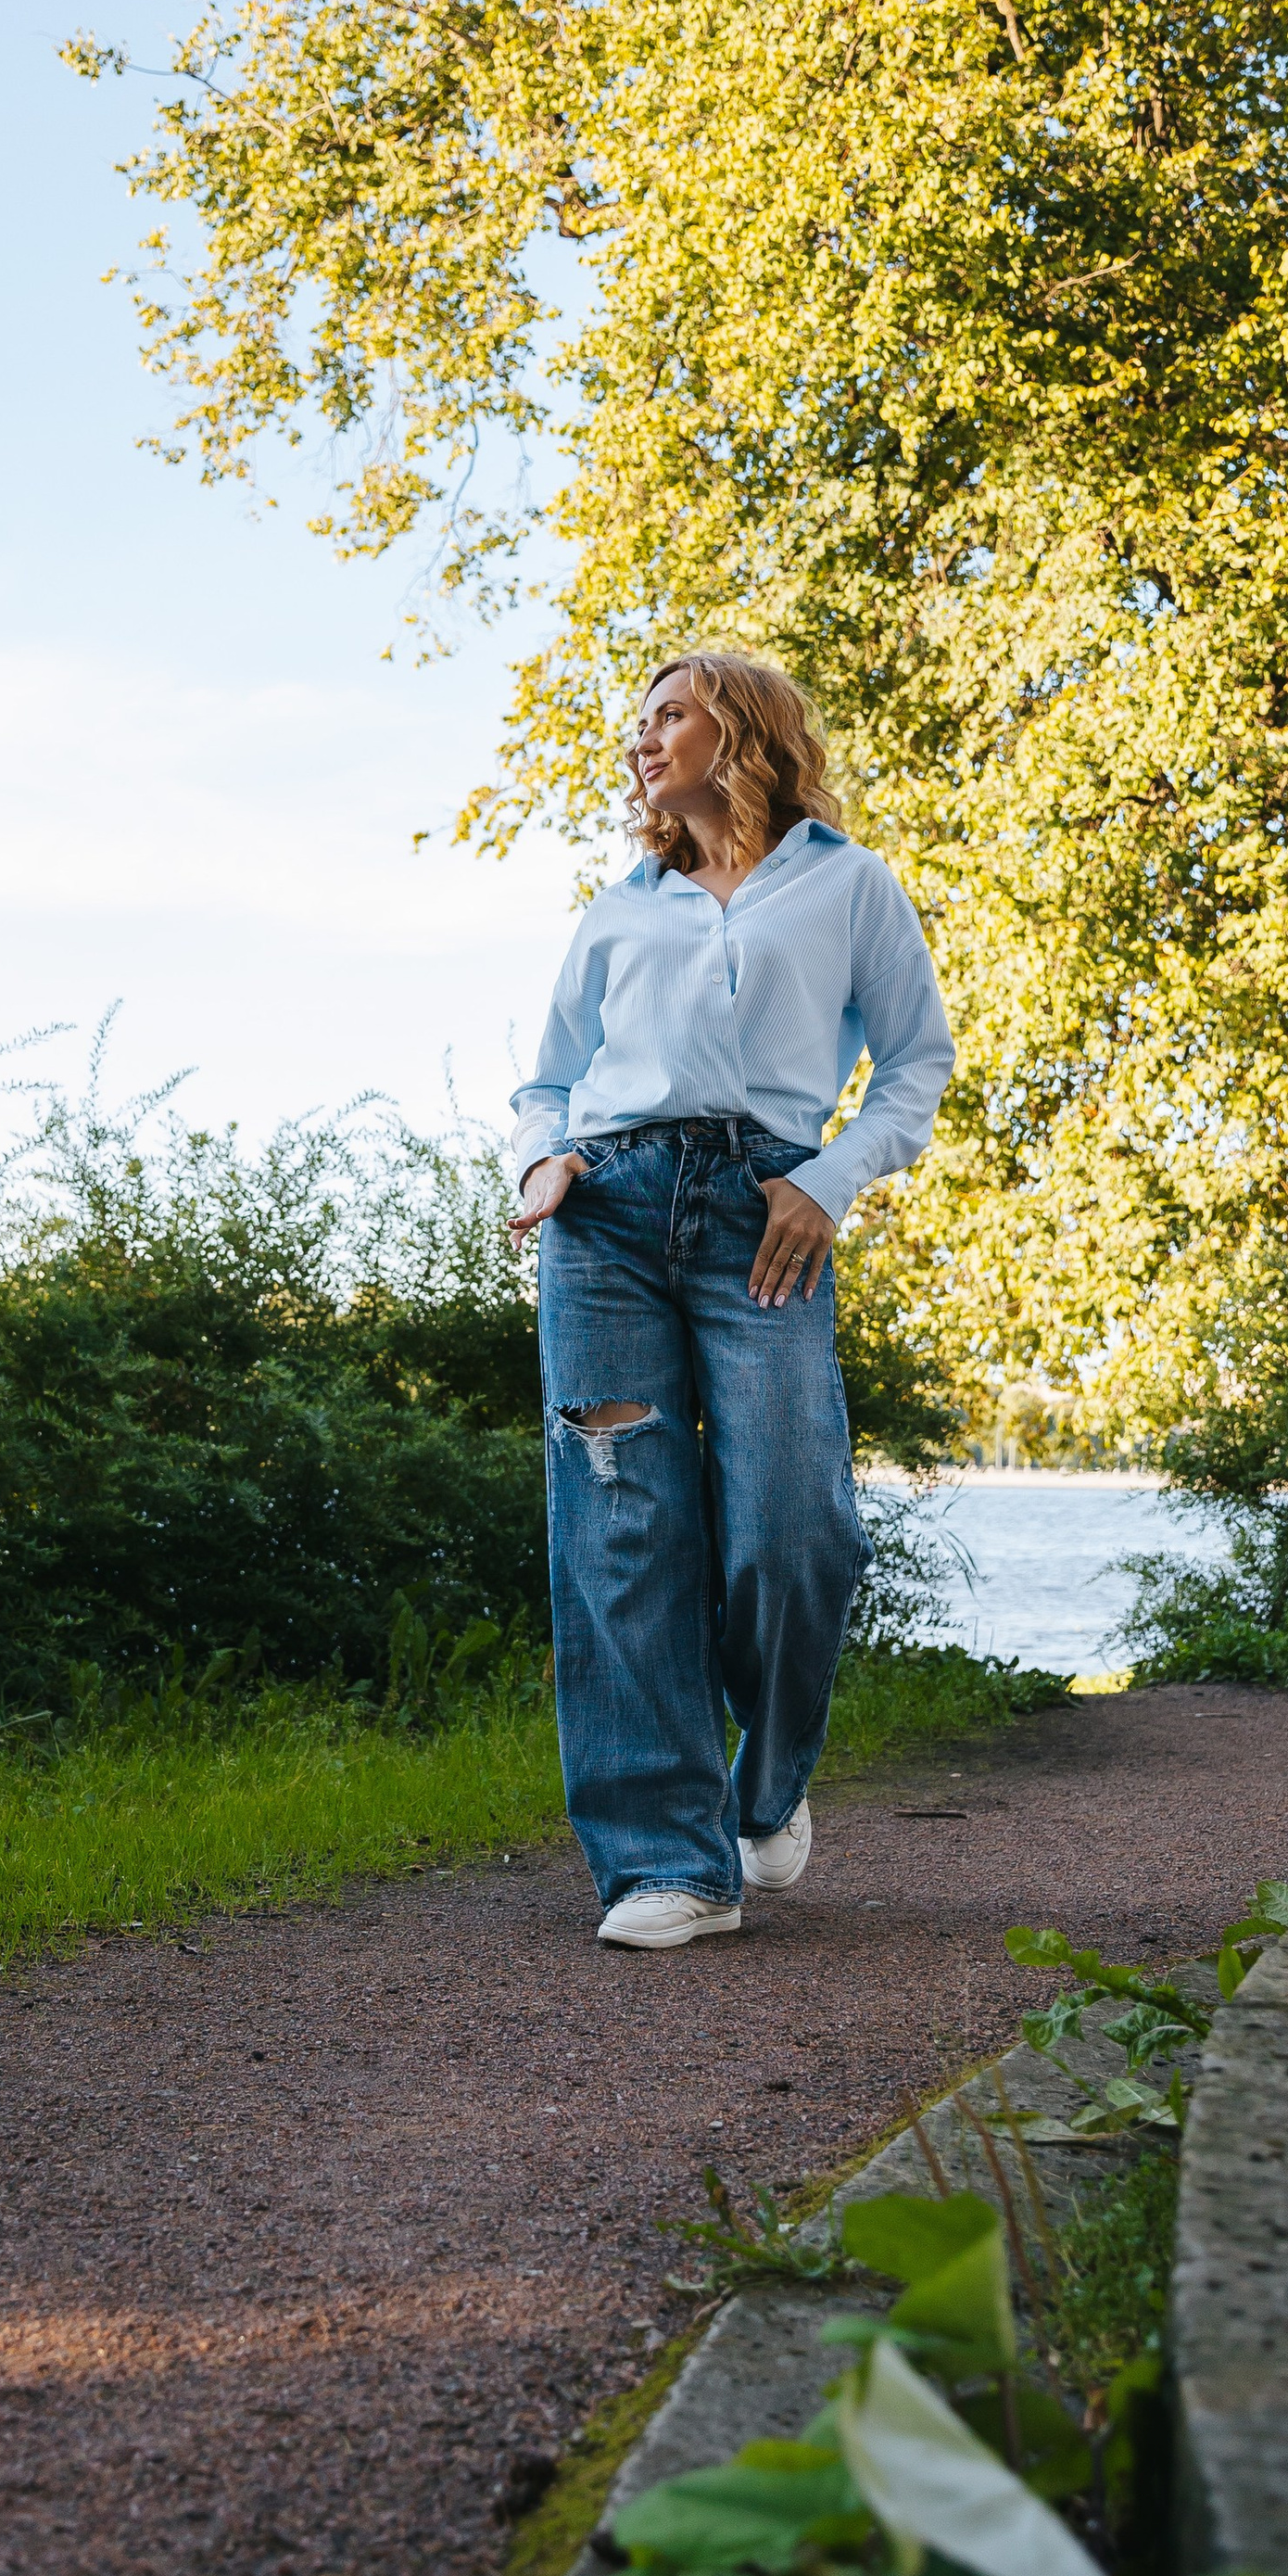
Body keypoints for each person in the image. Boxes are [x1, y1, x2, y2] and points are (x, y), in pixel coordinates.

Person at [508, 648, 955, 1948]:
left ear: (744, 728)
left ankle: (767, 1783)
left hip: (764, 1217)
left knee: (794, 1521)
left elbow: (915, 1062)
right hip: (603, 1216)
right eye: (639, 722)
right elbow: (549, 1080)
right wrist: (541, 1162)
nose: (642, 738)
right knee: (622, 1529)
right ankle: (669, 1865)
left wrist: (829, 1181)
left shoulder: (849, 884)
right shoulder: (619, 910)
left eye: (670, 714)